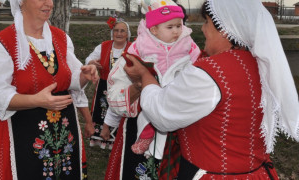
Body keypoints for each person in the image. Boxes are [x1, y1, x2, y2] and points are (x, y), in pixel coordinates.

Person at [124, 0, 299, 179]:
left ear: (224, 28)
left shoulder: (209, 73)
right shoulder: (260, 65)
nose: (202, 29)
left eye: (207, 21)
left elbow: (161, 114)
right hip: (258, 174)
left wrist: (145, 76)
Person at [0, 0, 98, 179]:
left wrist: (84, 76)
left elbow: (71, 80)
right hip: (23, 133)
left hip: (63, 133)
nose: (48, 3)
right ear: (21, 3)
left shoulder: (61, 38)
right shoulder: (3, 44)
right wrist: (37, 101)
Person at [105, 0, 200, 179]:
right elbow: (114, 93)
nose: (176, 31)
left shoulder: (189, 47)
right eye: (170, 26)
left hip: (181, 127)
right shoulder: (138, 50)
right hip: (140, 122)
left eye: (179, 26)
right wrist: (140, 85)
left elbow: (201, 73)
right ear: (153, 29)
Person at [85, 17, 132, 150]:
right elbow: (89, 58)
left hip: (125, 86)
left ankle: (120, 140)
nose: (119, 33)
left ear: (127, 34)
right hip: (104, 86)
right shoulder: (104, 46)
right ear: (112, 33)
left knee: (122, 112)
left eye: (122, 31)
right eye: (116, 30)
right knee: (103, 111)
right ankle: (104, 139)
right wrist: (91, 62)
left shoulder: (132, 48)